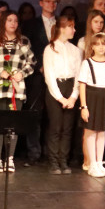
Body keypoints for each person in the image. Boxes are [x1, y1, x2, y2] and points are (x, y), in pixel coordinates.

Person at [0, 10, 36, 172]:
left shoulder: (23, 41)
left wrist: (21, 73)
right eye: (9, 20)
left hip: (16, 90)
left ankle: (9, 158)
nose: (13, 23)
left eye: (15, 21)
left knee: (13, 124)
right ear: (2, 22)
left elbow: (31, 62)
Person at [21, 0, 58, 166]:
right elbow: (28, 50)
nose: (52, 5)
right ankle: (34, 152)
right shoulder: (31, 24)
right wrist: (39, 66)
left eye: (54, 2)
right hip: (37, 74)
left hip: (57, 75)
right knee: (35, 113)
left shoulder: (60, 24)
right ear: (41, 3)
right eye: (48, 1)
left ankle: (51, 152)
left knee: (54, 114)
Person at [44, 16, 82, 174]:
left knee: (67, 128)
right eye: (71, 27)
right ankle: (53, 161)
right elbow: (49, 76)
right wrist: (60, 97)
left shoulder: (75, 50)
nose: (74, 30)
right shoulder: (50, 48)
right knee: (55, 127)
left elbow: (79, 74)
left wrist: (73, 96)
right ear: (62, 28)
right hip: (56, 90)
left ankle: (63, 160)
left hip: (70, 87)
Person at [78, 33, 105, 177]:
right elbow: (82, 85)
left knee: (102, 131)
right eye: (98, 44)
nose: (101, 47)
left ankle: (99, 162)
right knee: (90, 131)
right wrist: (84, 106)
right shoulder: (87, 63)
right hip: (92, 97)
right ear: (92, 46)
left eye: (103, 44)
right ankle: (92, 164)